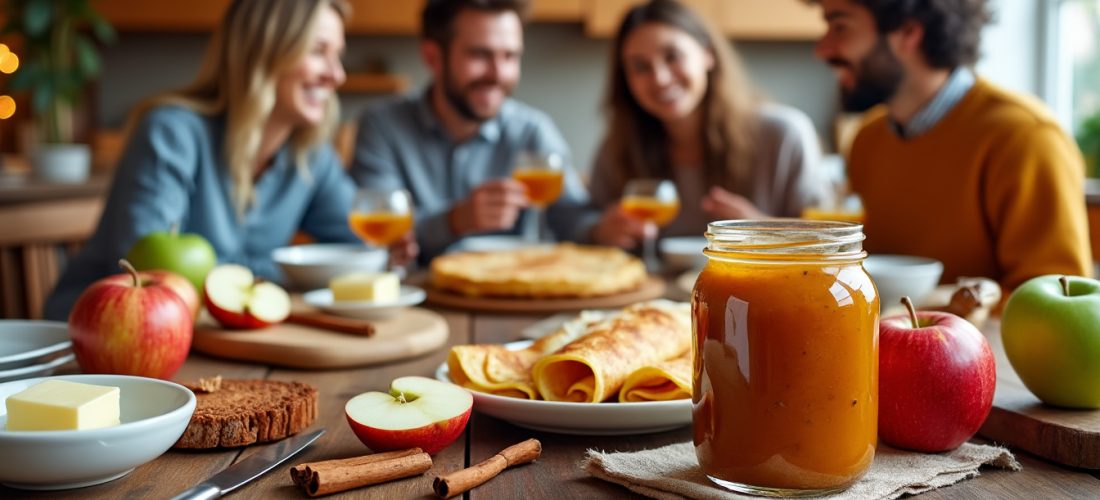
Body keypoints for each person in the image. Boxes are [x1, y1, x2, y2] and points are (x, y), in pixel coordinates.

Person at [44, 0, 411, 320]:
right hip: (87, 347)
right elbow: (150, 275)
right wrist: (288, 270)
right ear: (263, 52)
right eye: (318, 51)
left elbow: (361, 246)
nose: (337, 75)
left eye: (338, 55)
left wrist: (388, 253)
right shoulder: (172, 132)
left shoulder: (310, 154)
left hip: (215, 343)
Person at [810, 0, 1091, 292]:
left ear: (908, 32)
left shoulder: (1026, 138)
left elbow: (1060, 296)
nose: (822, 49)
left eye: (839, 26)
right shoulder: (868, 139)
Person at [350, 0, 594, 263]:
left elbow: (574, 220)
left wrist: (602, 227)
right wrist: (454, 220)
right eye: (480, 55)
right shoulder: (382, 126)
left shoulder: (533, 131)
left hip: (513, 292)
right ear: (433, 57)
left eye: (510, 56)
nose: (498, 74)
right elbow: (378, 236)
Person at [588, 0, 832, 249]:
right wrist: (598, 231)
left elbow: (828, 244)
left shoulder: (784, 135)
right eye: (640, 66)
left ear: (707, 54)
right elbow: (580, 221)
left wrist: (763, 232)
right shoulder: (618, 148)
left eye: (673, 56)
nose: (660, 78)